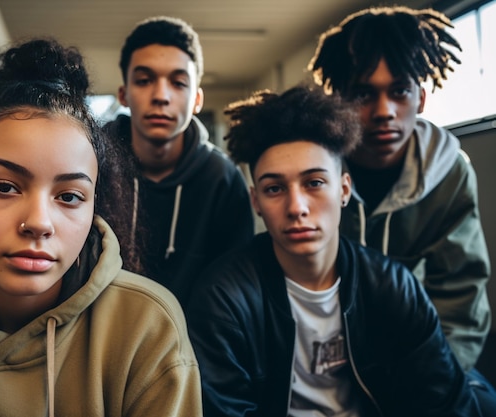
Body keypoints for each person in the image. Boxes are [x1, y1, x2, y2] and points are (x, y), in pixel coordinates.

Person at [0, 38, 201, 417]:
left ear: (94, 208)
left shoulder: (147, 328)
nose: (39, 223)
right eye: (5, 187)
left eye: (70, 196)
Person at [186, 85, 483, 416]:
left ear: (344, 190)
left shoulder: (392, 285)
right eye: (274, 188)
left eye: (314, 183)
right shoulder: (223, 300)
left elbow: (447, 404)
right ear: (256, 201)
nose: (296, 207)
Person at [308, 5, 491, 374]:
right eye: (363, 94)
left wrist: (440, 381)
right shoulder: (309, 169)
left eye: (400, 91)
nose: (384, 111)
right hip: (318, 355)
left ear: (420, 98)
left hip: (418, 349)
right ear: (339, 100)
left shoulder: (449, 172)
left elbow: (460, 297)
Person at [105, 16, 255, 305]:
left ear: (197, 100)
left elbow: (235, 290)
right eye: (145, 80)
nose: (161, 96)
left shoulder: (223, 179)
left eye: (178, 82)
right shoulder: (92, 166)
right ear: (124, 94)